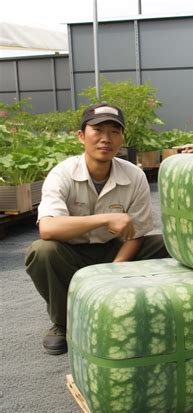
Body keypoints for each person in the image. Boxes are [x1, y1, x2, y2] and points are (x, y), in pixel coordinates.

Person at [25, 103, 169, 355]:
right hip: (72, 252)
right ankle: (62, 322)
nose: (106, 138)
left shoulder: (134, 176)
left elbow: (137, 233)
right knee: (42, 251)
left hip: (114, 250)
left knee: (171, 244)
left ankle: (159, 313)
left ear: (122, 138)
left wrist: (117, 266)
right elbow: (47, 228)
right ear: (81, 136)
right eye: (98, 130)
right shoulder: (63, 174)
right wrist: (105, 219)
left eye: (114, 131)